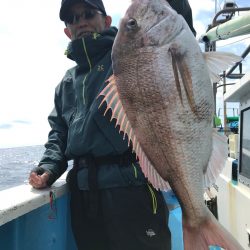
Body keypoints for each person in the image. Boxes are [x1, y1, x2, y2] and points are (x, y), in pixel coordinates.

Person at [29, 0, 196, 249]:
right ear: (67, 30)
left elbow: (175, 41)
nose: (81, 21)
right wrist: (49, 168)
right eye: (72, 19)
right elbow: (59, 134)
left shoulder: (129, 55)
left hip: (133, 191)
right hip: (84, 200)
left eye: (88, 14)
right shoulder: (66, 83)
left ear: (107, 21)